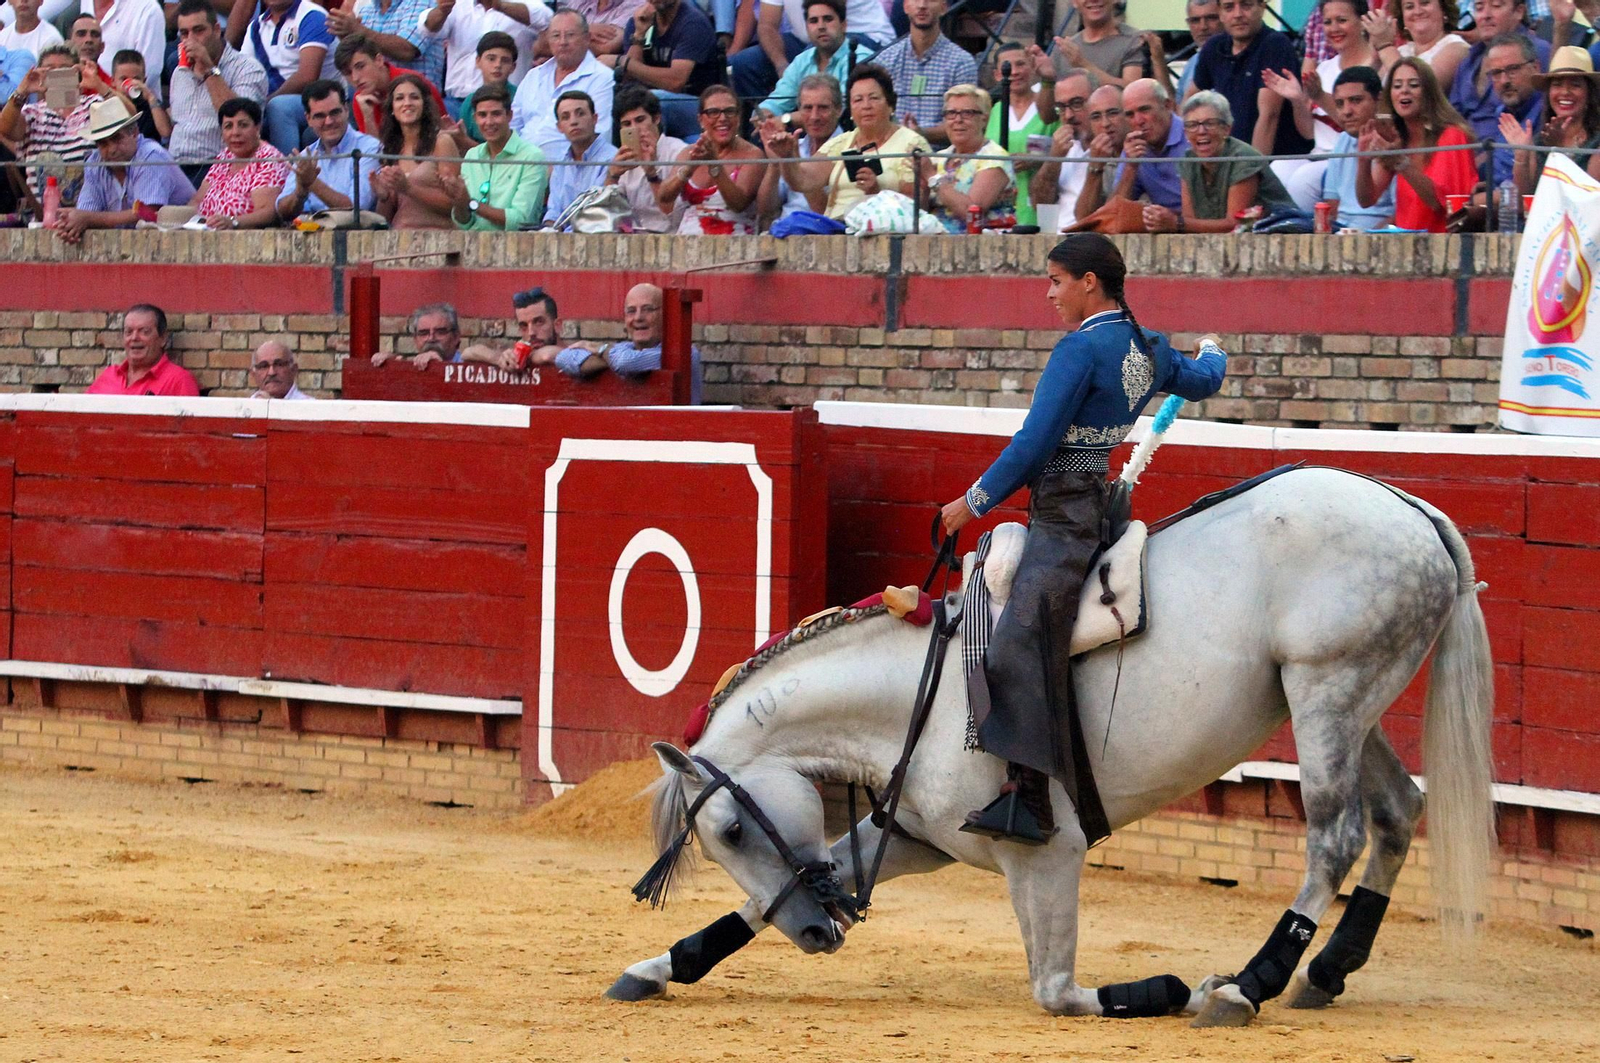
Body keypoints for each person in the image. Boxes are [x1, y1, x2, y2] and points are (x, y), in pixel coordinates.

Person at [941, 233, 1226, 847]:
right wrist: (1214, 350)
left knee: (1017, 635)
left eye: (1055, 281)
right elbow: (1204, 380)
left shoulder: (1078, 351)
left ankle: (1027, 798)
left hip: (1065, 518)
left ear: (1088, 282)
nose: (1049, 294)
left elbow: (1034, 444)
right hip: (1100, 506)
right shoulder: (1146, 347)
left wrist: (973, 502)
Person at [772, 63, 930, 218]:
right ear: (851, 110)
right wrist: (787, 157)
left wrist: (876, 193)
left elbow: (918, 209)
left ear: (891, 105)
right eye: (858, 100)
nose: (866, 106)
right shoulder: (841, 143)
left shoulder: (911, 144)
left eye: (874, 98)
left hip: (885, 234)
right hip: (836, 232)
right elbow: (803, 181)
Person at [1358, 56, 1476, 230]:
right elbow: (1366, 200)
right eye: (1397, 86)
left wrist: (1401, 162)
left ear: (1429, 92)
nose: (1404, 91)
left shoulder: (1452, 135)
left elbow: (1438, 203)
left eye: (1413, 85)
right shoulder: (1396, 137)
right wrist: (1363, 160)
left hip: (1442, 244)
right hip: (1406, 242)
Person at [54, 95, 193, 241]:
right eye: (103, 143)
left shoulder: (151, 156)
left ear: (134, 133)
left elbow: (148, 213)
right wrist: (72, 224)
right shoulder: (95, 162)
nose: (111, 149)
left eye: (117, 138)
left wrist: (86, 219)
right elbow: (87, 212)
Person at [1154, 90, 1295, 232]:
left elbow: (1235, 223)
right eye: (1192, 125)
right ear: (1185, 133)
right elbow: (1190, 221)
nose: (1201, 131)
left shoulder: (1243, 158)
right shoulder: (1188, 160)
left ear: (1227, 129)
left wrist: (1176, 223)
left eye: (1210, 123)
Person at [1189, 0, 1312, 158]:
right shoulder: (1214, 46)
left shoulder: (1275, 45)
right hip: (1226, 157)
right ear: (1220, 12)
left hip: (1277, 161)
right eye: (1229, 7)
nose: (1238, 14)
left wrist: (1253, 172)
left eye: (1246, 5)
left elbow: (1269, 117)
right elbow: (1190, 100)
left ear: (1262, 7)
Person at [169, 0, 269, 185]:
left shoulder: (247, 68)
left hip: (217, 167)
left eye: (198, 30)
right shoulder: (179, 73)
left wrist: (209, 70)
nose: (190, 40)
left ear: (216, 30)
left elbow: (241, 117)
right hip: (174, 167)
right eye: (184, 33)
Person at [552, 282, 702, 402]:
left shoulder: (686, 354)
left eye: (648, 309)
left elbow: (625, 363)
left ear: (666, 316)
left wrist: (601, 350)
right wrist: (608, 358)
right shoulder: (623, 349)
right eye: (631, 311)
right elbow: (563, 358)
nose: (638, 318)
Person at [225, 0, 338, 154]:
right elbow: (241, 73)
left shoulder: (312, 16)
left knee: (279, 106)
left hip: (320, 99)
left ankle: (284, 173)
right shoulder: (256, 27)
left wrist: (265, 103)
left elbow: (307, 76)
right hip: (275, 101)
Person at [732, 0, 891, 106]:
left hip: (863, 34)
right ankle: (767, 137)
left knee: (809, 59)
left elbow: (825, 8)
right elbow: (767, 26)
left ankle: (807, 125)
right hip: (808, 38)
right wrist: (781, 66)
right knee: (742, 64)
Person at [0, 46, 104, 205]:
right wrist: (22, 91)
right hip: (45, 216)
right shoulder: (32, 112)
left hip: (94, 212)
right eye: (50, 70)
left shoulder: (94, 104)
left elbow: (127, 118)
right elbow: (5, 128)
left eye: (64, 69)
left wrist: (99, 85)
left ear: (77, 74)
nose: (57, 74)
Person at [654, 84, 762, 233]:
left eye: (729, 111)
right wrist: (689, 168)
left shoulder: (752, 154)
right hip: (687, 241)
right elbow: (664, 197)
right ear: (700, 119)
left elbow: (738, 204)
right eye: (713, 112)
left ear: (738, 117)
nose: (722, 118)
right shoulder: (689, 152)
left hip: (735, 242)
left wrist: (714, 166)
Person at [611, 0, 721, 140]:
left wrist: (621, 61)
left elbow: (675, 82)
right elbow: (629, 78)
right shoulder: (638, 21)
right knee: (631, 102)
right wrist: (639, 35)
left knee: (655, 100)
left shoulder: (693, 23)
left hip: (699, 105)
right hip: (654, 102)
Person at [274, 79, 382, 222]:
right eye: (320, 116)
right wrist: (300, 193)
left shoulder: (369, 147)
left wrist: (312, 182)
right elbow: (282, 211)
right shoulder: (306, 156)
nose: (329, 122)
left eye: (334, 113)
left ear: (346, 110)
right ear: (308, 119)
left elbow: (356, 210)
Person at [1448, 0, 1551, 148]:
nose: (1486, 15)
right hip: (1463, 155)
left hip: (1506, 155)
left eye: (1496, 5)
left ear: (1519, 12)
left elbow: (1538, 117)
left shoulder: (1539, 51)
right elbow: (1452, 117)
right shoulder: (1468, 60)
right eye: (1479, 7)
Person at [443, 82, 546, 230]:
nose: (489, 122)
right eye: (482, 115)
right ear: (475, 118)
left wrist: (471, 203)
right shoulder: (472, 155)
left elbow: (520, 221)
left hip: (517, 247)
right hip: (472, 245)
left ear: (509, 115)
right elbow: (463, 223)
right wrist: (459, 201)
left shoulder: (532, 157)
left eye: (496, 114)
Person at [870, 0, 976, 144]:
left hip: (940, 156)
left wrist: (921, 133)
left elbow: (965, 121)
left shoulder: (961, 62)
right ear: (905, 6)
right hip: (892, 154)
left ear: (944, 7)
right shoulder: (885, 61)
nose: (922, 5)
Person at [754, 0, 875, 124]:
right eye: (814, 21)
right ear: (807, 28)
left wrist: (785, 119)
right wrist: (764, 113)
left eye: (828, 19)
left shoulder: (860, 58)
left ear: (843, 25)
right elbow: (778, 99)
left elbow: (839, 111)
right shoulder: (802, 60)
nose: (821, 26)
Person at [512, 9, 613, 156]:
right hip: (522, 165)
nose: (562, 42)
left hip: (567, 167)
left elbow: (599, 136)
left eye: (570, 35)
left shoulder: (601, 77)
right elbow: (513, 127)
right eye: (556, 36)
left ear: (587, 38)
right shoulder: (533, 76)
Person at [420, 0, 544, 118]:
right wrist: (442, 11)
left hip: (505, 103)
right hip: (455, 102)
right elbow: (427, 29)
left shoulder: (527, 3)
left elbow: (546, 19)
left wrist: (500, 5)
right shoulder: (458, 5)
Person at [918, 83, 1015, 232]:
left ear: (984, 119)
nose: (958, 120)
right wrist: (922, 187)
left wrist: (932, 177)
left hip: (983, 246)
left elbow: (972, 213)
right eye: (951, 113)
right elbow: (920, 213)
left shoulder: (994, 158)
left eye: (967, 113)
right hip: (935, 242)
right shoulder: (938, 158)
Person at [1502, 44, 1600, 189]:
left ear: (1589, 94)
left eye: (1575, 85)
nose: (1565, 92)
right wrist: (1521, 154)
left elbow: (1589, 200)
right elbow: (1523, 202)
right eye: (1557, 85)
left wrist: (1560, 151)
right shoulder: (1540, 141)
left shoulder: (1596, 143)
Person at [985, 41, 1058, 228]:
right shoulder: (995, 111)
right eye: (1007, 67)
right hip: (1001, 210)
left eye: (1021, 64)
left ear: (1033, 66)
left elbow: (1068, 149)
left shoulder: (1048, 104)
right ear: (996, 75)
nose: (1015, 72)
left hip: (1042, 205)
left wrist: (1038, 159)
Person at [370, 72, 459, 228]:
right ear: (392, 107)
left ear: (425, 105)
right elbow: (385, 219)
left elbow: (455, 205)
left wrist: (408, 188)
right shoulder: (391, 150)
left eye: (414, 97)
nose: (407, 103)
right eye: (399, 98)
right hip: (399, 240)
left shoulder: (441, 142)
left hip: (439, 239)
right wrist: (384, 197)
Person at [756, 72, 842, 222]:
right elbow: (765, 210)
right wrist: (775, 163)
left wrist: (795, 163)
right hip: (784, 233)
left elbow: (829, 214)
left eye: (823, 108)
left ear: (839, 110)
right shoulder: (795, 146)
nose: (814, 117)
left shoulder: (850, 149)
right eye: (808, 108)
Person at [191, 96, 289, 227]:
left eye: (243, 125)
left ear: (257, 128)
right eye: (228, 126)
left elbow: (269, 212)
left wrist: (233, 222)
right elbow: (198, 201)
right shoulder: (225, 156)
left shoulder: (269, 159)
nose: (235, 132)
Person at [1318, 65, 1397, 228]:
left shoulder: (1396, 140)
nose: (1346, 111)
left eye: (1356, 100)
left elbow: (1403, 214)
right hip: (1342, 232)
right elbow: (1332, 204)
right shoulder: (1342, 140)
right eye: (1340, 103)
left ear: (1379, 100)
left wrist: (1366, 239)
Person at [605, 85, 687, 231]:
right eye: (627, 124)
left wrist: (652, 175)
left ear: (656, 119)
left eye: (640, 120)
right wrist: (612, 177)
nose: (635, 128)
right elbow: (606, 216)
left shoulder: (678, 152)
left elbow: (676, 215)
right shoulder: (623, 157)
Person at [334, 32, 446, 136]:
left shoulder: (414, 83)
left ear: (379, 60)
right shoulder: (360, 100)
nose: (355, 78)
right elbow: (373, 153)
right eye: (348, 73)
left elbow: (442, 132)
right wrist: (368, 117)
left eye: (360, 66)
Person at [327, 0, 444, 93]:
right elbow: (358, 59)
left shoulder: (422, 2)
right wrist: (345, 36)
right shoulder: (367, 10)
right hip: (378, 100)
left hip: (417, 99)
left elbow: (407, 50)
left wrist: (357, 29)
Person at [86, 304, 202, 396]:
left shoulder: (178, 381)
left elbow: (192, 424)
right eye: (129, 332)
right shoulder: (109, 375)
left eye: (144, 331)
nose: (134, 338)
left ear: (163, 339)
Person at [539, 87, 614, 225]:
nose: (573, 121)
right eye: (565, 117)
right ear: (559, 127)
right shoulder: (561, 163)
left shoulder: (612, 158)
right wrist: (549, 230)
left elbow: (596, 214)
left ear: (594, 119)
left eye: (580, 114)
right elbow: (553, 212)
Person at [1028, 70, 1092, 230]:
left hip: (1089, 240)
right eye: (1061, 107)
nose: (1068, 115)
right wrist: (1054, 159)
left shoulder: (1113, 145)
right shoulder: (1063, 147)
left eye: (1077, 104)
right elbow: (1039, 204)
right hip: (1054, 237)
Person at [1482, 32, 1546, 183]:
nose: (1504, 80)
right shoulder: (1501, 113)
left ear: (1536, 67)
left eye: (1513, 70)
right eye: (1496, 73)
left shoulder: (1548, 112)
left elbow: (1535, 187)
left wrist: (1493, 197)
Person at [460, 284, 564, 371]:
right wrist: (499, 359)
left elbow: (547, 355)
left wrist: (527, 358)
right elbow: (468, 353)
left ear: (557, 325)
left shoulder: (575, 355)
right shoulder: (517, 357)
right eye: (524, 326)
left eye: (539, 322)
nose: (531, 332)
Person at [1067, 84, 1131, 221]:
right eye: (1096, 117)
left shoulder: (1146, 150)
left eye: (1112, 113)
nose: (1105, 123)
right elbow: (1083, 217)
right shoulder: (1098, 155)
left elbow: (1114, 216)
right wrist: (1095, 167)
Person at [1053, 0, 1145, 89]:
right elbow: (1046, 104)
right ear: (1074, 2)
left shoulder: (1134, 40)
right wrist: (1047, 80)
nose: (1093, 0)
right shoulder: (1064, 48)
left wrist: (1082, 64)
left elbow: (1133, 91)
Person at [78, 0, 164, 95]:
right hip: (85, 97)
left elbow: (150, 71)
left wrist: (110, 95)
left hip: (132, 102)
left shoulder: (148, 9)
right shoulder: (86, 2)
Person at [1384, 0, 1468, 86]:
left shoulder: (1456, 47)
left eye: (1425, 3)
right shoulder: (1402, 51)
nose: (1417, 12)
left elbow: (1420, 88)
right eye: (1409, 7)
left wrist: (1384, 45)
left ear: (1443, 10)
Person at [455, 30, 519, 144]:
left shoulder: (520, 98)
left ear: (513, 67)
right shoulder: (469, 102)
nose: (497, 65)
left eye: (505, 60)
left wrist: (464, 141)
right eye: (491, 59)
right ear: (478, 61)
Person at [372, 302, 463, 368]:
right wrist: (389, 365)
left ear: (456, 337)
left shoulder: (471, 366)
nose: (431, 338)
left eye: (440, 332)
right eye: (424, 333)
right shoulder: (416, 367)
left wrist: (441, 366)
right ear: (415, 339)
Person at [108, 47, 166, 140]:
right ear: (113, 81)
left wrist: (151, 98)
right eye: (124, 79)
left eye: (136, 79)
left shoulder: (151, 106)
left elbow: (165, 133)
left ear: (144, 80)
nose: (130, 84)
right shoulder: (107, 107)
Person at [1176, 0, 1222, 97]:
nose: (1203, 27)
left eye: (1211, 18)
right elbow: (1178, 109)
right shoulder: (1192, 63)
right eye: (1195, 20)